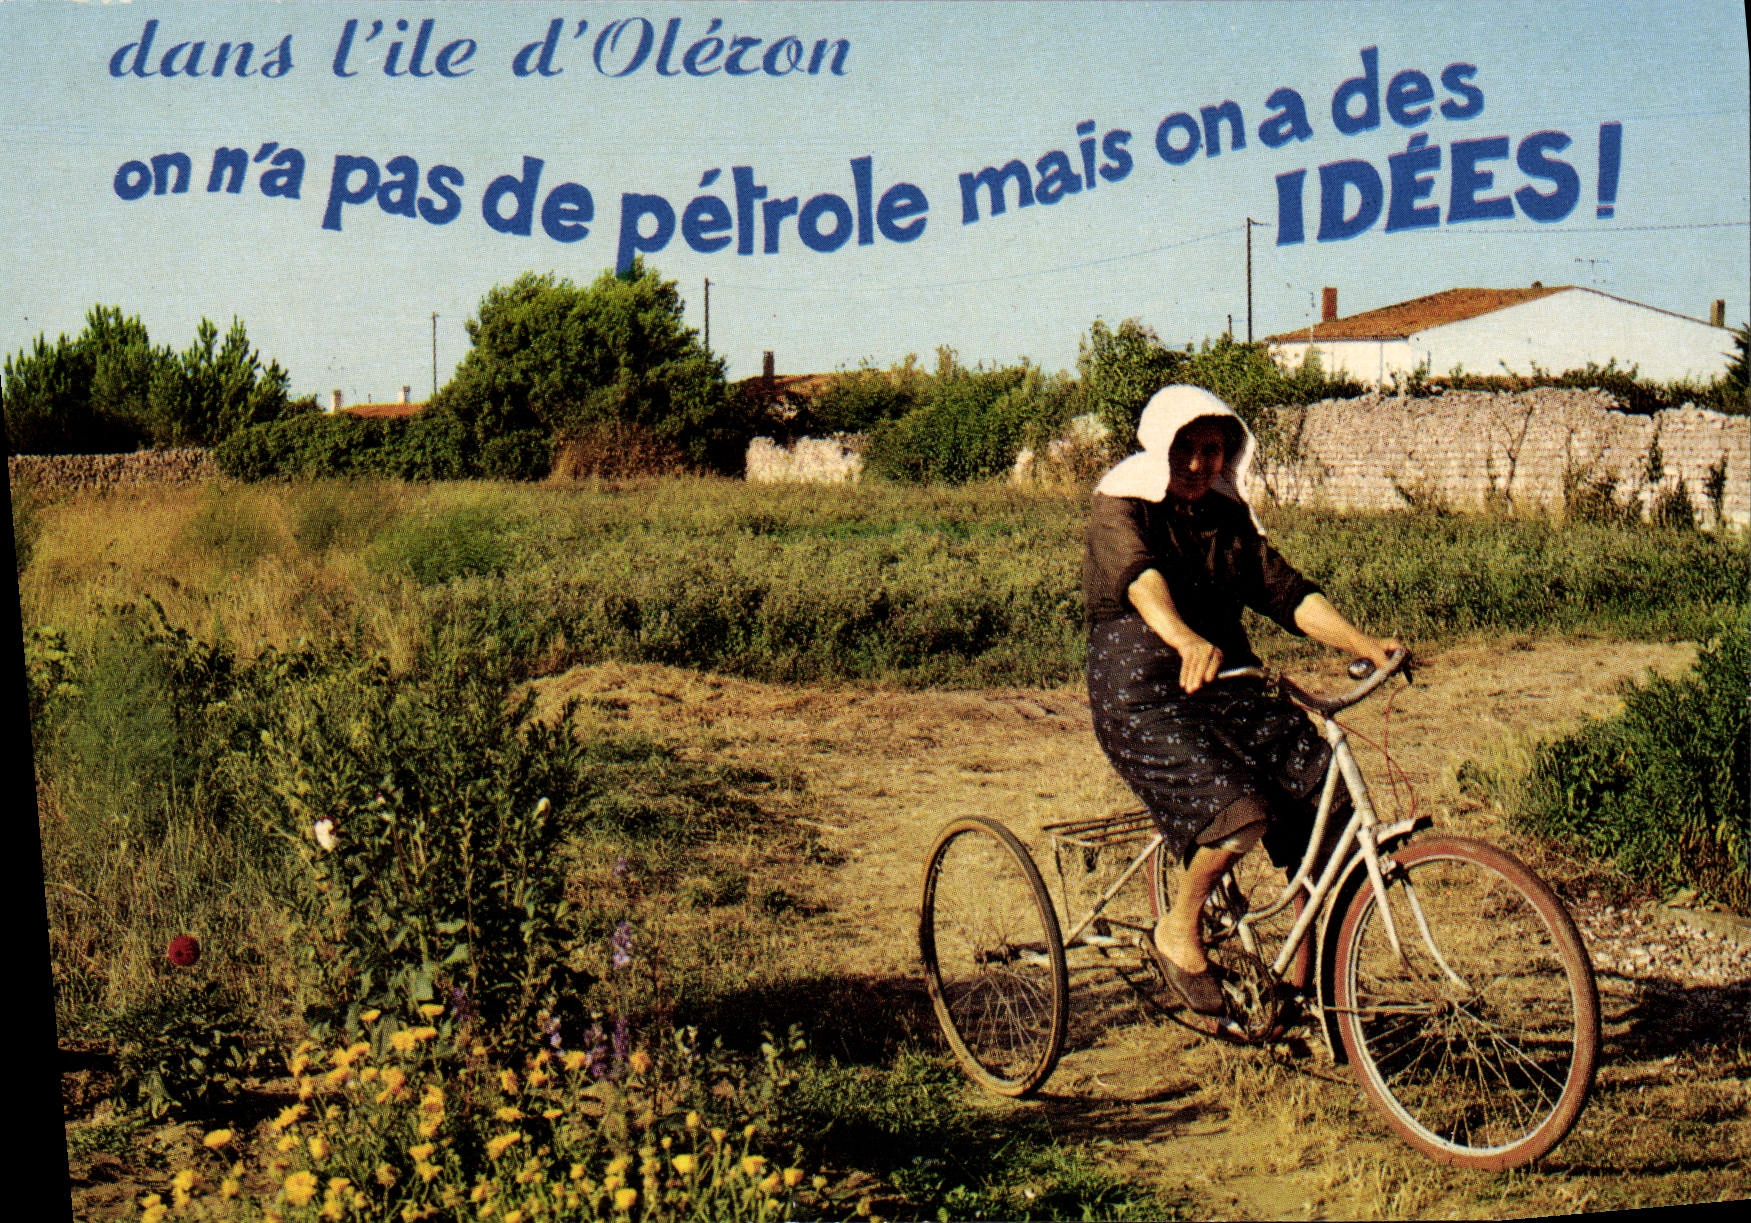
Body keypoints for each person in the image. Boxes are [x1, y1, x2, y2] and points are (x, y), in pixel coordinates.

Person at [1082, 385, 1401, 1016]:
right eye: (1186, 450)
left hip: (1228, 683)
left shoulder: (1226, 516)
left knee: (1326, 808)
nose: (1200, 465)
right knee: (1241, 810)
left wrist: (1361, 642)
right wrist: (1184, 639)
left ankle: (1301, 989)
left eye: (1214, 450)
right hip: (1143, 692)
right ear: (1160, 447)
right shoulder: (1123, 505)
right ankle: (1178, 928)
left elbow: (1285, 593)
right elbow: (1140, 582)